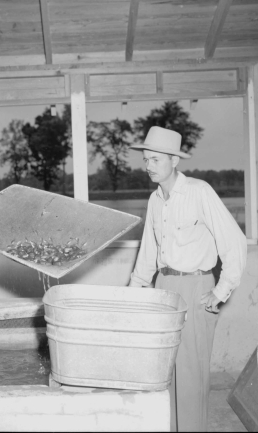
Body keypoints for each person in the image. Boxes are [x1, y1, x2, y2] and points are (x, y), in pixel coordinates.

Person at [128, 126, 247, 432]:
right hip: (164, 288)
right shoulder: (155, 200)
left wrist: (221, 290)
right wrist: (133, 294)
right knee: (165, 371)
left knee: (191, 377)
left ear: (174, 160)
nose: (148, 166)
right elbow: (148, 254)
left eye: (155, 159)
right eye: (146, 159)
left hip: (196, 287)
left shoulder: (199, 191)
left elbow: (233, 241)